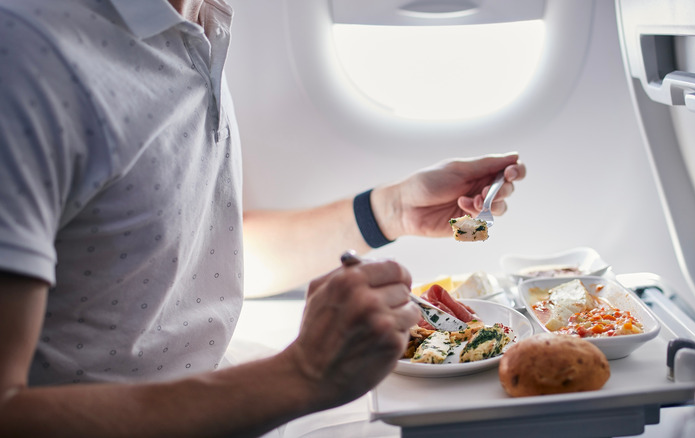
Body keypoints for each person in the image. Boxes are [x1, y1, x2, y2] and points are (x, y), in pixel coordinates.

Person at [0, 0, 526, 436]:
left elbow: (194, 257)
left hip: (224, 400)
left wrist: (388, 211)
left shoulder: (199, 21)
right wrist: (300, 375)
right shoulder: (27, 57)